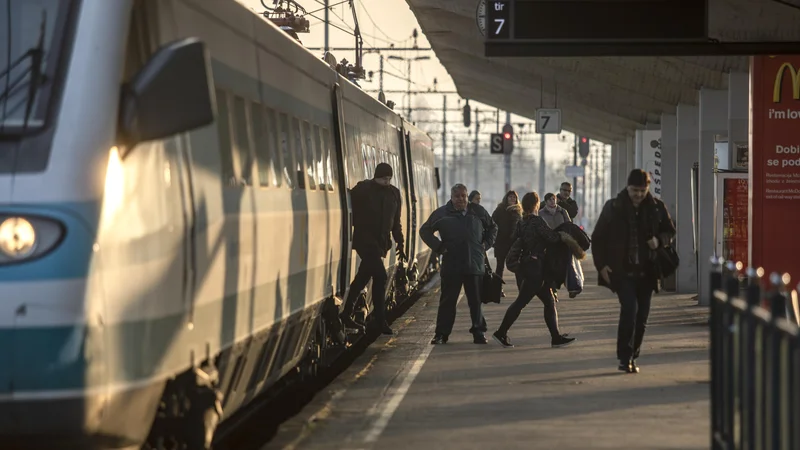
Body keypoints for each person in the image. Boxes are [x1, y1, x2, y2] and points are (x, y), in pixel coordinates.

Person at [592, 169, 676, 374]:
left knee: (642, 318)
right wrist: (601, 266)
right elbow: (598, 238)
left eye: (642, 190)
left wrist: (659, 240)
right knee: (629, 311)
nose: (638, 194)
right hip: (622, 272)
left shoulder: (657, 207)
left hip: (648, 271)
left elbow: (670, 231)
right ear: (627, 188)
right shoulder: (613, 207)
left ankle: (633, 354)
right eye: (634, 190)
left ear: (647, 188)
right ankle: (624, 357)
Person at [492, 192, 576, 349]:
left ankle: (556, 337)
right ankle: (501, 332)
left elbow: (516, 240)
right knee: (521, 303)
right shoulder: (537, 221)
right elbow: (551, 238)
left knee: (549, 301)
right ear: (536, 204)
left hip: (527, 267)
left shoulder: (522, 223)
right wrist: (563, 234)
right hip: (535, 270)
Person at [421, 184, 498, 345]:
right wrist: (439, 247)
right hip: (452, 264)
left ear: (467, 196)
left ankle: (479, 332)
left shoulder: (478, 211)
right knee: (448, 301)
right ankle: (441, 334)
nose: (461, 199)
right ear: (452, 197)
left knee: (475, 301)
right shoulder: (442, 214)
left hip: (474, 263)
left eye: (463, 196)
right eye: (457, 196)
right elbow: (425, 230)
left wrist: (485, 245)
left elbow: (493, 227)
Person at [340, 163, 405, 336]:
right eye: (384, 178)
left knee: (363, 277)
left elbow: (396, 222)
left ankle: (346, 313)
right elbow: (347, 203)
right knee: (381, 276)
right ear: (376, 176)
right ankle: (380, 320)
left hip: (381, 243)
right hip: (365, 241)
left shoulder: (394, 194)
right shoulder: (363, 189)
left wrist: (400, 242)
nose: (387, 181)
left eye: (389, 178)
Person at [491, 190, 522, 285]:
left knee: (517, 267)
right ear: (506, 198)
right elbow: (492, 224)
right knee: (500, 267)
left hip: (514, 244)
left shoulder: (518, 211)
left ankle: (521, 289)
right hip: (501, 243)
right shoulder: (499, 210)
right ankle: (497, 289)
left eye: (514, 197)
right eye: (510, 197)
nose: (512, 199)